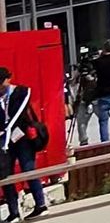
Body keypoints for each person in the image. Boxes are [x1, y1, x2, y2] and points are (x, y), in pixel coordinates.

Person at [0, 67, 48, 221]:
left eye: (1, 82)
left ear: (8, 79)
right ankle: (13, 212)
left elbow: (18, 115)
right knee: (5, 174)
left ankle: (40, 204)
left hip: (22, 137)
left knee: (28, 169)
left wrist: (6, 130)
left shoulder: (22, 92)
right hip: (5, 141)